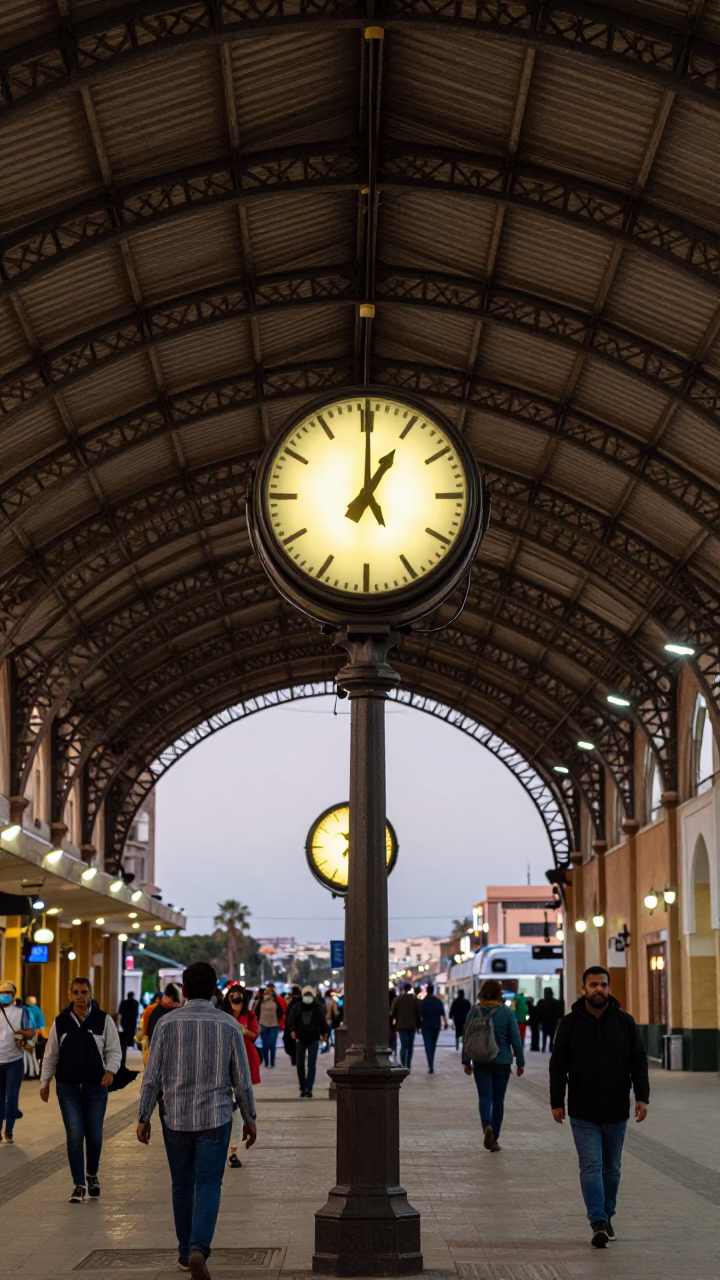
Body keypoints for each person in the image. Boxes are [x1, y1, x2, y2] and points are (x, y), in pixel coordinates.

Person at [137, 962, 257, 1280]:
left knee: (181, 1184)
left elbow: (153, 1076)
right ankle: (198, 1248)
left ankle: (182, 1251)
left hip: (174, 1116)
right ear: (215, 990)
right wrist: (249, 1117)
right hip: (216, 1117)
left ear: (185, 991)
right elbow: (242, 1079)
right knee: (208, 1183)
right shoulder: (229, 1025)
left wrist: (143, 1115)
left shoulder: (166, 1024)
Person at [550, 966, 649, 1249]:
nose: (598, 989)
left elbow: (638, 1061)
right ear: (584, 989)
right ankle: (598, 1221)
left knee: (612, 1169)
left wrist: (642, 1097)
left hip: (617, 1108)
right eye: (593, 985)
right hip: (583, 1110)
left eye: (602, 985)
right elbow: (557, 1065)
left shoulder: (625, 1022)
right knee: (591, 1166)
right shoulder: (568, 1024)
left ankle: (607, 1215)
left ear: (609, 988)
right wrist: (557, 1101)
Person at [40, 976, 122, 1201]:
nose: (79, 997)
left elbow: (114, 1050)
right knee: (75, 1136)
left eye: (83, 992)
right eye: (75, 992)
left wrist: (111, 1071)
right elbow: (51, 1054)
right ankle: (78, 1185)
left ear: (90, 993)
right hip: (68, 1088)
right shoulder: (61, 1021)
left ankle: (92, 1174)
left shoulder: (103, 1020)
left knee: (94, 1136)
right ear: (69, 995)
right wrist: (45, 1082)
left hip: (96, 1088)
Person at [463, 979, 524, 1152]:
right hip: (502, 1061)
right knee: (498, 1100)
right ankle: (494, 1138)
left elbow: (466, 1037)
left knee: (484, 1096)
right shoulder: (506, 1012)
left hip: (480, 1060)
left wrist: (466, 1061)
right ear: (499, 993)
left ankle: (486, 1125)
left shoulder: (474, 1011)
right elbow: (515, 1039)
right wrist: (520, 1061)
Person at [221, 986, 261, 1168]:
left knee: (237, 1108)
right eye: (232, 998)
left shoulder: (250, 1015)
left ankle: (233, 1150)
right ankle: (222, 1145)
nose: (236, 1001)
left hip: (244, 1063)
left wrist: (242, 1031)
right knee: (225, 1107)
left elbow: (254, 1035)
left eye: (239, 998)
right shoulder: (221, 1015)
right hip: (223, 1065)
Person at [0, 979, 34, 1142]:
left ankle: (9, 1131)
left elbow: (30, 1033)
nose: (5, 996)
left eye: (8, 993)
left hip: (15, 1060)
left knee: (12, 1097)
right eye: (2, 993)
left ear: (13, 995)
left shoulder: (22, 1012)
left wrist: (22, 1032)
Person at [286, 985, 328, 1097]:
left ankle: (309, 1087)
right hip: (301, 1038)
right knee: (300, 1064)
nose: (308, 997)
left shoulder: (318, 1007)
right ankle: (302, 1086)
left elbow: (322, 1021)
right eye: (306, 995)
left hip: (314, 1038)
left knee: (311, 1064)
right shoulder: (298, 1006)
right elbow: (291, 1019)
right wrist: (292, 1030)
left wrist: (324, 1033)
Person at [390, 983, 421, 1069]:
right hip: (412, 1025)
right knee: (410, 1045)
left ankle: (403, 1063)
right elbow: (419, 1012)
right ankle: (408, 1063)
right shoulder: (415, 999)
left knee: (404, 1045)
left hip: (401, 1025)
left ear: (403, 989)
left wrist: (394, 1022)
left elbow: (392, 1013)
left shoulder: (397, 999)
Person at [254, 983, 284, 1067]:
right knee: (265, 1044)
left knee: (272, 1043)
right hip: (263, 1024)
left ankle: (272, 1061)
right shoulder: (260, 1001)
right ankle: (266, 1061)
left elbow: (281, 1011)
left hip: (274, 1024)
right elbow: (255, 1012)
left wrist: (277, 1020)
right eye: (265, 992)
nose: (266, 994)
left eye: (268, 992)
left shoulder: (275, 1000)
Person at [420, 984, 448, 1073]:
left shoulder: (424, 1001)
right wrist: (445, 1022)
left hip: (426, 1026)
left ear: (427, 991)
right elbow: (443, 1013)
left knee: (428, 1045)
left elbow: (420, 1014)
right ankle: (431, 1063)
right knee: (433, 1045)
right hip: (436, 1025)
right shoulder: (438, 1001)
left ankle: (430, 1065)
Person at [23, 994, 45, 1078]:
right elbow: (41, 1024)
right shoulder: (38, 1010)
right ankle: (34, 1071)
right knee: (32, 1052)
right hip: (34, 1033)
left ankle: (30, 1072)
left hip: (27, 1033)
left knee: (27, 1053)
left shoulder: (25, 1010)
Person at [537, 986, 562, 1051]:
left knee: (544, 1035)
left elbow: (539, 1012)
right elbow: (558, 1012)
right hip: (552, 1021)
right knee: (552, 1035)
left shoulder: (541, 1002)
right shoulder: (555, 1002)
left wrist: (539, 1020)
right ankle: (551, 1047)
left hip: (544, 1021)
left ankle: (544, 1047)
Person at [283, 985, 302, 1065]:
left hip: (291, 1027)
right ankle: (296, 1058)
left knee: (291, 1043)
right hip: (298, 1026)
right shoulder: (301, 1001)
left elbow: (288, 1015)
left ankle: (294, 1058)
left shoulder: (292, 1003)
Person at [117, 990, 139, 1059]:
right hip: (132, 1021)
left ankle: (126, 1044)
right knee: (131, 1033)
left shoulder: (124, 1002)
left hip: (125, 1022)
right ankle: (130, 1044)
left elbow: (120, 1011)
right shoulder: (135, 1003)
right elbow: (136, 1012)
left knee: (125, 1034)